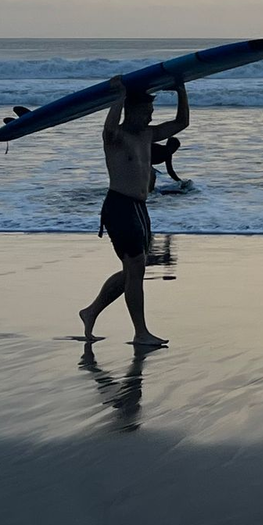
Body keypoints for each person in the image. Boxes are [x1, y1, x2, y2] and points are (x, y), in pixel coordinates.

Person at [79, 76, 189, 347]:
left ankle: (90, 311)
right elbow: (107, 130)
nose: (150, 118)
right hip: (119, 206)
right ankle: (140, 333)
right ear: (133, 111)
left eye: (151, 113)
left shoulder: (146, 135)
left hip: (140, 209)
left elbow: (181, 123)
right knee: (136, 267)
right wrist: (118, 97)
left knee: (133, 270)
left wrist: (181, 90)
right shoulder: (116, 137)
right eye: (147, 112)